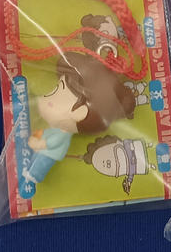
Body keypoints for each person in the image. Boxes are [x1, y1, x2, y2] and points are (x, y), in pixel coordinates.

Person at [25, 53, 137, 186]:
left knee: (41, 162)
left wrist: (39, 144)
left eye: (55, 92)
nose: (45, 98)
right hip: (43, 149)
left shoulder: (62, 133)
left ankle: (34, 174)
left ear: (79, 113)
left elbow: (52, 142)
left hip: (48, 154)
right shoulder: (58, 128)